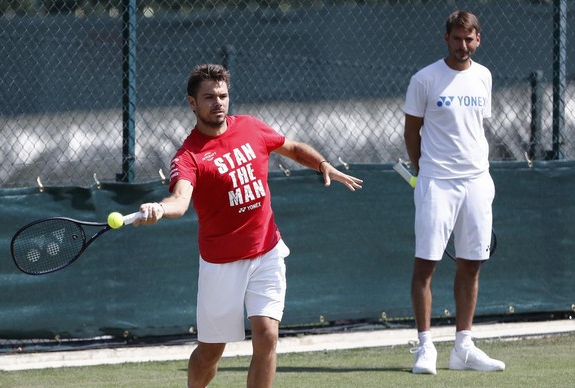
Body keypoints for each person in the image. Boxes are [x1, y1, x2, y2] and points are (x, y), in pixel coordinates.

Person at [135, 63, 363, 387]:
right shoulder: (188, 156)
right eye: (209, 97)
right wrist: (160, 208)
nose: (218, 103)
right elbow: (180, 199)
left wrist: (323, 164)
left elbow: (293, 148)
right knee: (210, 353)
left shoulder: (251, 127)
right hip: (221, 264)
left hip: (266, 250)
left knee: (268, 334)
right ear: (192, 103)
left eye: (223, 95)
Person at [403, 10, 505, 374]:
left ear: (478, 40)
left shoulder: (484, 77)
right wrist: (422, 170)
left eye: (470, 38)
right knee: (425, 263)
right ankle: (425, 346)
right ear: (446, 39)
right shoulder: (424, 79)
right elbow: (411, 133)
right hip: (435, 182)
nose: (463, 45)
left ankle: (463, 346)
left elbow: (475, 130)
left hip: (478, 181)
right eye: (457, 38)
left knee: (472, 263)